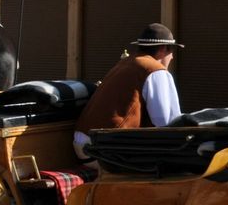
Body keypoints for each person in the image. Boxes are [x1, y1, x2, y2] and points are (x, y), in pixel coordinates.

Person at [73, 23, 183, 163]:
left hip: (84, 145)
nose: (172, 57)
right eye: (171, 50)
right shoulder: (156, 71)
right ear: (162, 49)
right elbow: (165, 122)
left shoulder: (126, 63)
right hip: (105, 149)